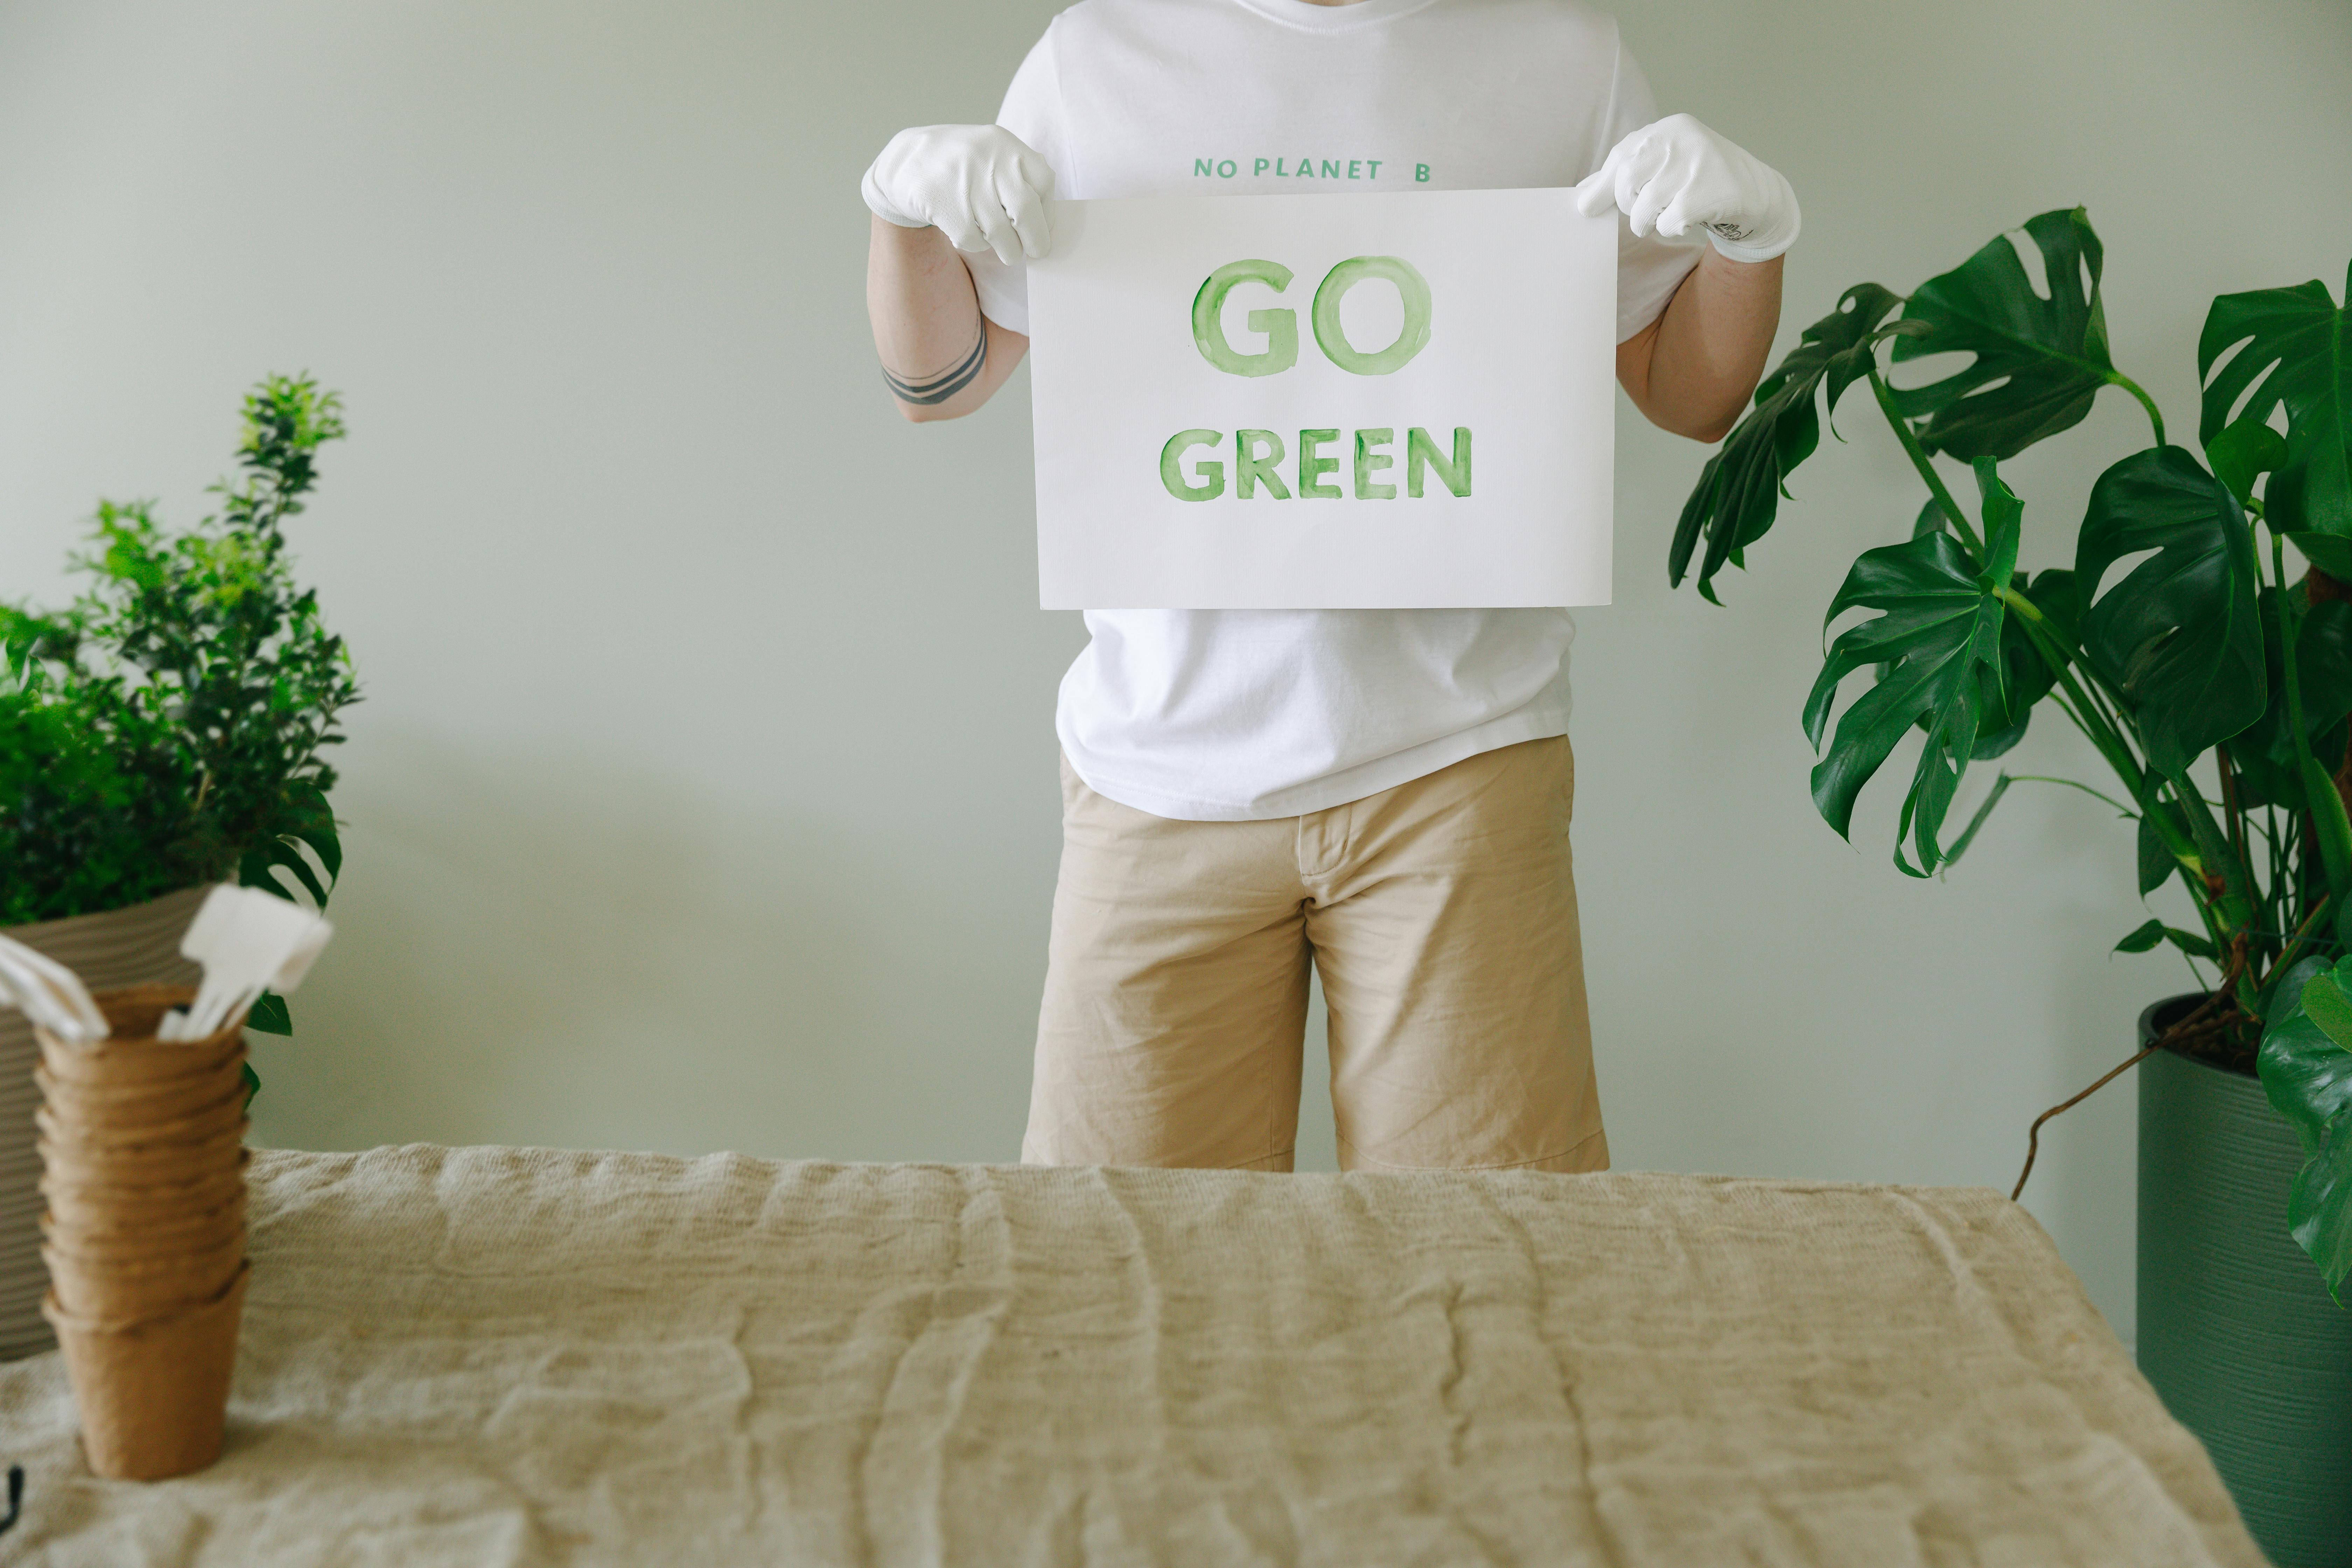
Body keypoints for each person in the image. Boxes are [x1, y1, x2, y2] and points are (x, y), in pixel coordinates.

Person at [862, 0, 1794, 1175]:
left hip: (1458, 762)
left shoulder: (1564, 57)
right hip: (1159, 770)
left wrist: (1748, 241)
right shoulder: (1096, 57)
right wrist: (905, 214)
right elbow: (937, 384)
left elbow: (1687, 394)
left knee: (1485, 1271)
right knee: (1119, 1276)